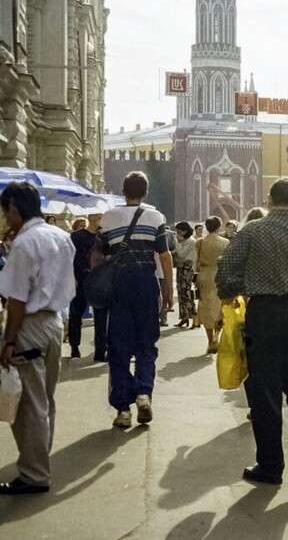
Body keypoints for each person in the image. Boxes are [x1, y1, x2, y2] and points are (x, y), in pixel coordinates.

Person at [216, 178, 288, 486]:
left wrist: (233, 291)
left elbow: (227, 271)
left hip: (263, 313)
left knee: (265, 389)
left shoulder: (252, 230)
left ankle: (271, 464)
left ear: (269, 198)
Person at [0, 182, 75, 495]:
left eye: (6, 212)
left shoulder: (25, 243)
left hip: (29, 324)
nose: (5, 218)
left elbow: (16, 300)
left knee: (29, 405)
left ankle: (33, 473)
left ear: (15, 208)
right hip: (54, 322)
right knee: (45, 398)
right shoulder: (61, 236)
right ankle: (38, 463)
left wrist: (8, 341)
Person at [92, 171, 173, 429]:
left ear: (123, 191)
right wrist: (168, 290)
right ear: (145, 193)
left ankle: (123, 409)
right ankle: (143, 394)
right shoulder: (154, 217)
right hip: (145, 284)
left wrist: (99, 278)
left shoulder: (109, 217)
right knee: (146, 343)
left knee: (119, 346)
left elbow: (96, 256)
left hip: (119, 286)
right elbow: (165, 255)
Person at [68, 213, 108, 360]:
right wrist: (72, 276)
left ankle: (100, 350)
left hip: (98, 281)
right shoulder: (77, 236)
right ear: (91, 218)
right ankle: (74, 346)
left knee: (101, 316)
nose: (100, 221)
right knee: (76, 314)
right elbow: (69, 257)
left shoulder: (104, 238)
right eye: (98, 218)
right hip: (80, 279)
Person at [195, 217, 229, 353]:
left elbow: (195, 261)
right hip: (220, 275)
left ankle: (210, 340)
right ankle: (217, 335)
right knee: (219, 307)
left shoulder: (200, 242)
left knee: (205, 308)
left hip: (204, 275)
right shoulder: (225, 242)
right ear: (219, 226)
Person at [173, 222, 197, 328]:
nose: (177, 234)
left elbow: (181, 254)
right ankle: (184, 317)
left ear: (185, 231)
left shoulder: (190, 241)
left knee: (187, 293)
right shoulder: (185, 241)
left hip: (187, 268)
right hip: (181, 267)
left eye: (179, 232)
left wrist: (177, 243)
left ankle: (195, 318)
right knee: (181, 293)